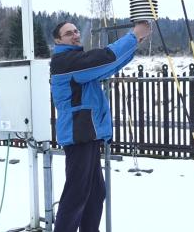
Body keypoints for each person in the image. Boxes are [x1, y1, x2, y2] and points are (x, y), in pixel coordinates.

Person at [50, 21, 151, 232]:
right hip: (79, 136)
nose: (75, 35)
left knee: (96, 192)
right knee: (76, 194)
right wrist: (132, 37)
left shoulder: (77, 62)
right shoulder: (65, 61)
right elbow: (104, 59)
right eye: (69, 33)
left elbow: (108, 66)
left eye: (76, 31)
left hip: (88, 135)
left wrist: (135, 42)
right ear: (58, 40)